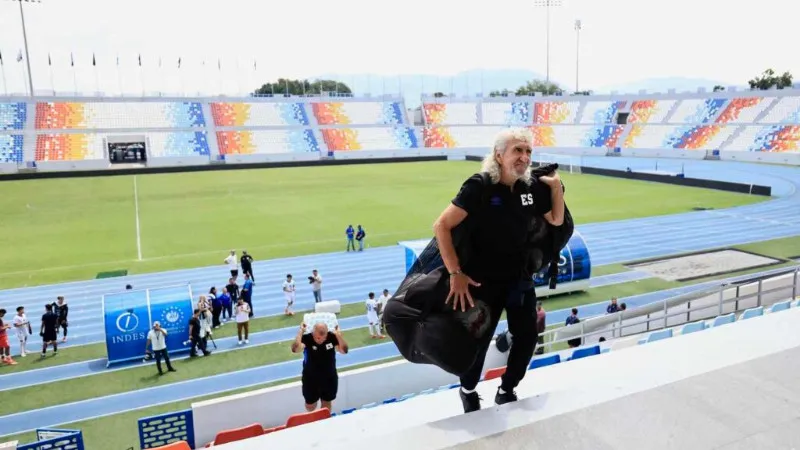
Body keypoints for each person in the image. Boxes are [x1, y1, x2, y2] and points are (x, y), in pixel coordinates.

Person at [431, 127, 565, 413]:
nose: (525, 157)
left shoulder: (528, 190)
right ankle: (468, 390)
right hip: (481, 283)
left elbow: (555, 219)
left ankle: (507, 388)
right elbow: (441, 225)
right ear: (499, 154)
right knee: (476, 345)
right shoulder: (479, 186)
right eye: (518, 150)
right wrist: (455, 274)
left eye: (528, 151)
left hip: (518, 279)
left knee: (527, 337)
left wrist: (555, 188)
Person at [291, 322, 349, 412]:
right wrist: (301, 331)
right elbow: (295, 349)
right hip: (310, 378)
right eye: (318, 338)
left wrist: (338, 335)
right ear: (313, 332)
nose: (321, 340)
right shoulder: (307, 338)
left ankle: (323, 422)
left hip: (329, 377)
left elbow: (344, 351)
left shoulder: (332, 337)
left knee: (326, 403)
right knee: (310, 406)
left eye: (324, 337)